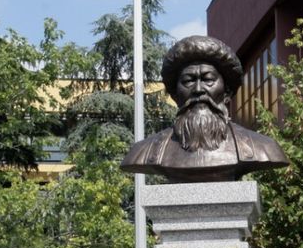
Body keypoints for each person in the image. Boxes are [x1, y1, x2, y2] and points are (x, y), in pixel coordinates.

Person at [121, 35, 287, 183]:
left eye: (208, 79)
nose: (198, 89)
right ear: (175, 95)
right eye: (188, 81)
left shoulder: (263, 147)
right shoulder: (143, 151)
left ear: (227, 92)